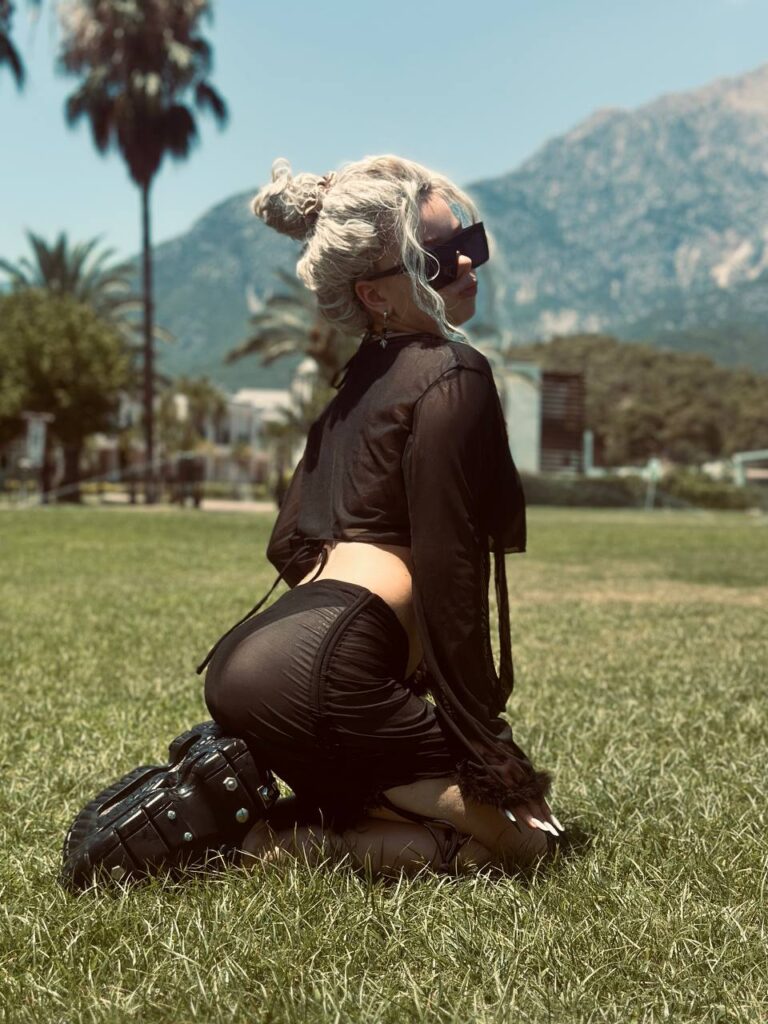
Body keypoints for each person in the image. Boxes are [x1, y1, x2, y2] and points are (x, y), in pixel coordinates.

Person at [200, 154, 564, 878]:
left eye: (470, 242)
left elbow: (289, 542)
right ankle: (268, 845)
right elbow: (448, 569)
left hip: (248, 660)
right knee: (533, 845)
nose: (466, 263)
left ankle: (288, 818)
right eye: (436, 259)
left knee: (403, 806)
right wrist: (487, 746)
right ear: (374, 295)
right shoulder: (453, 371)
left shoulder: (355, 385)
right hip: (328, 673)